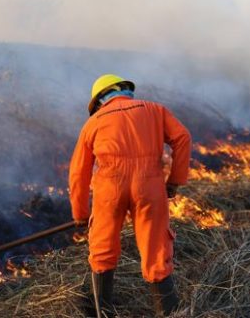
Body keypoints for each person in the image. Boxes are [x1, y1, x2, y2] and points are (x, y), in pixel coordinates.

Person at [68, 74, 192, 317]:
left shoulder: (93, 123)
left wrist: (80, 214)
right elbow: (182, 138)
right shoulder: (155, 110)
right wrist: (175, 181)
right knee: (156, 248)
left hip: (109, 190)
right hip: (150, 187)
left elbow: (78, 173)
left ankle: (104, 312)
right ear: (125, 90)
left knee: (102, 250)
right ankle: (168, 312)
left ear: (100, 100)